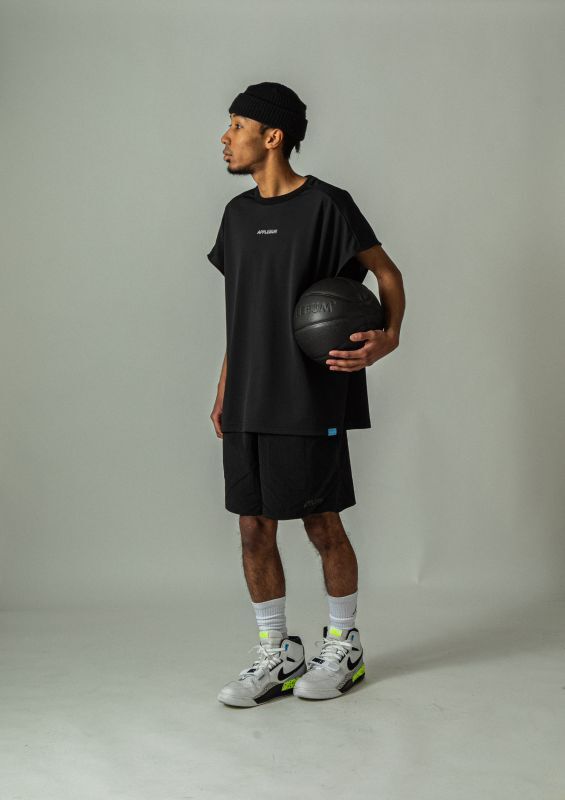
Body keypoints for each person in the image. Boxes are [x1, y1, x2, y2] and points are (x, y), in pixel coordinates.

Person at [207, 82, 405, 707]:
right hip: (247, 395)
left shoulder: (327, 204)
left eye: (236, 125)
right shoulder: (236, 215)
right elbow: (245, 311)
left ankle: (344, 646)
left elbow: (387, 273)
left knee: (321, 522)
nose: (225, 137)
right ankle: (277, 653)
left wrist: (388, 336)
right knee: (252, 527)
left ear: (273, 136)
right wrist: (225, 387)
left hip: (308, 395)